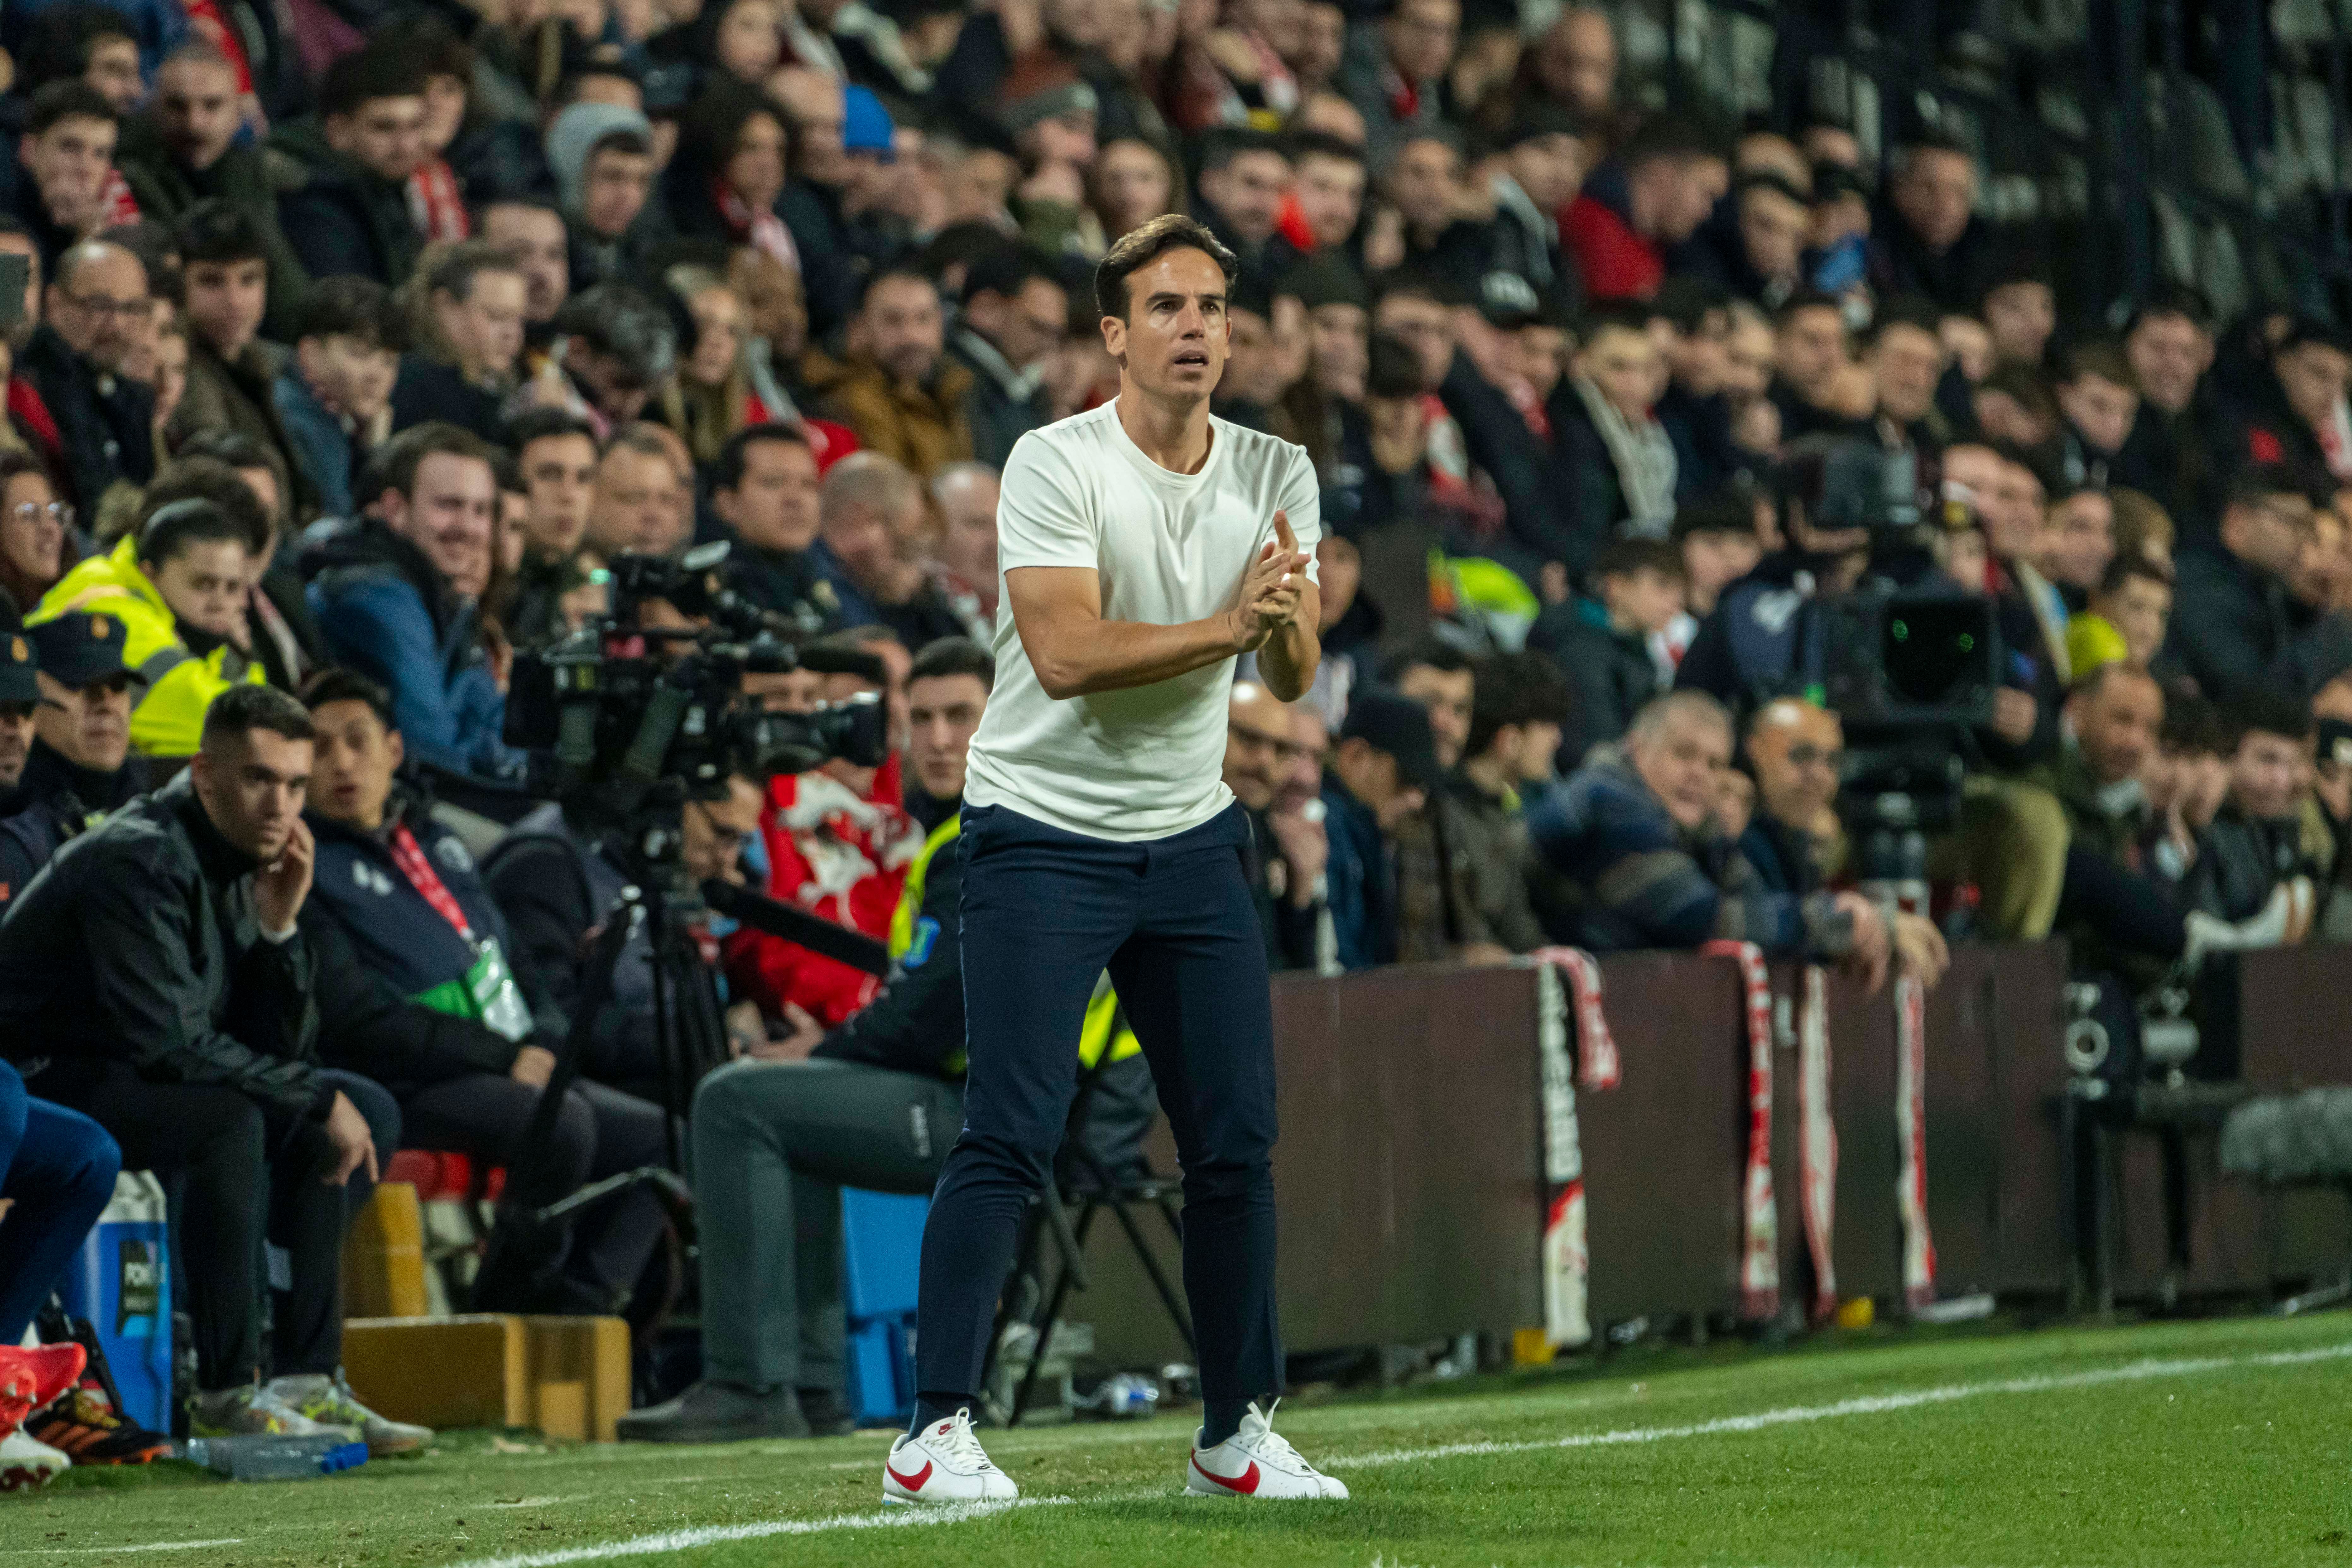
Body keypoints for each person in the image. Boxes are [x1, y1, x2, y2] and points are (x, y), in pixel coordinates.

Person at [887, 214, 1346, 1505]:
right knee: (1010, 1128)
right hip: (1040, 830)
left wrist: (1278, 620)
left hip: (1189, 835)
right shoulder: (1055, 459)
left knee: (1233, 1142)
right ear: (1114, 334)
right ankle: (932, 1433)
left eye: (1212, 308)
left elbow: (1291, 670)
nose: (1194, 327)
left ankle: (1234, 1432)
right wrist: (1228, 624)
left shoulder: (1276, 466)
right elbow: (1066, 654)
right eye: (1165, 307)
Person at [0, 685, 428, 1451]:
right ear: (205, 774)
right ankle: (228, 1393)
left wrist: (279, 929)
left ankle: (306, 1375)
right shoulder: (141, 856)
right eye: (260, 778)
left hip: (124, 1069)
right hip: (39, 1074)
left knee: (351, 1109)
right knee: (229, 1120)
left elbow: (279, 1052)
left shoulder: (247, 859)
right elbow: (170, 1043)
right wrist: (313, 1094)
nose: (280, 806)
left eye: (294, 785)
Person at [618, 638, 995, 1444]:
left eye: (960, 716)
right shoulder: (958, 829)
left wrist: (826, 1052)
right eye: (922, 718)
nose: (937, 739)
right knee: (785, 1109)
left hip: (982, 1112)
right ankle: (814, 1385)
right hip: (990, 1097)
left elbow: (933, 1013)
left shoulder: (988, 834)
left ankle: (751, 1381)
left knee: (733, 1102)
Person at [296, 671, 668, 1315]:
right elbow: (357, 1016)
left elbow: (517, 960)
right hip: (409, 1081)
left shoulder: (438, 841)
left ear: (394, 748)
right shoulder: (307, 867)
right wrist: (503, 1056)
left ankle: (585, 1307)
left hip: (508, 1063)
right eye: (321, 748)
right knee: (560, 1125)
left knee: (664, 1137)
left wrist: (546, 1039)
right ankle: (509, 1310)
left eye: (357, 741)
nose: (342, 763)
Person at [1526, 691, 1889, 979]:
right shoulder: (1607, 801)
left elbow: (1752, 896)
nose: (1699, 774)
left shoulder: (1690, 819)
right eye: (1684, 754)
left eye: (1715, 764)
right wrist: (1834, 923)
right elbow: (1701, 918)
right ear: (1638, 748)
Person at [485, 772, 766, 1105]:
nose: (729, 859)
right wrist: (685, 1044)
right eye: (723, 833)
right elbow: (555, 1016)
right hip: (581, 1084)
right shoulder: (543, 863)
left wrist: (718, 1038)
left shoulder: (649, 866)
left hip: (648, 1073)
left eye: (740, 842)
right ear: (669, 801)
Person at [305, 422, 526, 783]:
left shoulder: (447, 597)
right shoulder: (375, 596)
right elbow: (434, 750)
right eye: (449, 505)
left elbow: (499, 730)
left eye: (481, 511)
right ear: (396, 509)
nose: (468, 528)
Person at [30, 486, 264, 759]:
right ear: (150, 573)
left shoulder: (180, 621)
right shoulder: (118, 612)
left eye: (233, 588)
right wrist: (244, 658)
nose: (220, 603)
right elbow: (244, 730)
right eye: (203, 584)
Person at [115, 43, 311, 343]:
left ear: (239, 113)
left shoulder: (252, 175)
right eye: (178, 106)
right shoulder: (128, 173)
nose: (195, 123)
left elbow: (284, 282)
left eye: (212, 105)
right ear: (154, 107)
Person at [0, 611, 147, 903]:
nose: (106, 703)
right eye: (80, 684)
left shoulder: (151, 804)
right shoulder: (17, 819)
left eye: (118, 685)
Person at [2158, 465, 2320, 702]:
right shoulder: (2198, 586)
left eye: (2308, 528)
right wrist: (2334, 626)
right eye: (2294, 522)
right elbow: (2251, 693)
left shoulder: (2265, 588)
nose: (2303, 539)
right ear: (2238, 521)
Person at [165, 203, 300, 487]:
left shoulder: (277, 365)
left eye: (249, 280)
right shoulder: (177, 371)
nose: (234, 301)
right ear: (180, 284)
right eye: (212, 282)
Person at [18, 239, 153, 517]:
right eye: (100, 305)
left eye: (132, 308)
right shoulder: (34, 384)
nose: (117, 325)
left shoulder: (127, 391)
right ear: (55, 303)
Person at [273, 46, 429, 288]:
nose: (405, 146)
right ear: (339, 132)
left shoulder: (384, 186)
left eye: (415, 126)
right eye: (384, 128)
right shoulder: (312, 205)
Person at [1320, 683, 1444, 970]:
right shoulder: (1327, 826)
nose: (1416, 800)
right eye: (1406, 778)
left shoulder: (1372, 835)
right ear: (1355, 756)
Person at [1530, 537, 1684, 766]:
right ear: (1617, 586)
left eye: (1680, 590)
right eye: (1662, 585)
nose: (1675, 602)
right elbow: (1592, 747)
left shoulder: (1635, 650)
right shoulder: (1580, 644)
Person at [817, 268, 973, 479]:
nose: (911, 336)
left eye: (924, 318)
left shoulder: (956, 389)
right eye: (893, 320)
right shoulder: (850, 401)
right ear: (860, 328)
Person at [811, 451, 968, 647]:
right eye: (902, 545)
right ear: (859, 518)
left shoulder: (860, 582)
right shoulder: (813, 581)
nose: (916, 567)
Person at [1224, 680, 1328, 972]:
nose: (1265, 762)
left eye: (1282, 749)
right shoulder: (1176, 833)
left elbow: (1292, 974)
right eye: (1249, 739)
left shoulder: (1266, 834)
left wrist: (1300, 894)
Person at [389, 243, 527, 443]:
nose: (513, 334)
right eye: (497, 316)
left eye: (520, 319)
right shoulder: (413, 389)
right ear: (446, 306)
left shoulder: (491, 388)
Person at [950, 246, 1066, 469]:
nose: (1049, 346)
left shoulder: (1025, 392)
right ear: (986, 309)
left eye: (1056, 334)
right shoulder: (955, 384)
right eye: (1037, 328)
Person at [711, 423, 830, 625]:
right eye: (774, 482)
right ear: (728, 503)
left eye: (809, 484)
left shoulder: (830, 576)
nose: (796, 499)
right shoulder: (716, 593)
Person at [5, 82, 121, 278]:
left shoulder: (109, 221)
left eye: (100, 153)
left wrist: (88, 235)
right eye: (71, 148)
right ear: (29, 151)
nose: (86, 168)